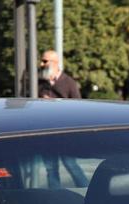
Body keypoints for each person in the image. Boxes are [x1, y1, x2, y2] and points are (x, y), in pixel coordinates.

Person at [38, 50, 87, 188]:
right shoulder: (41, 83)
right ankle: (56, 196)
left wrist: (54, 103)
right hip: (46, 133)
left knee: (70, 164)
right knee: (50, 168)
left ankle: (86, 190)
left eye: (45, 61)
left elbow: (78, 107)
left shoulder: (68, 82)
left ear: (55, 63)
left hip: (64, 133)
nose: (41, 64)